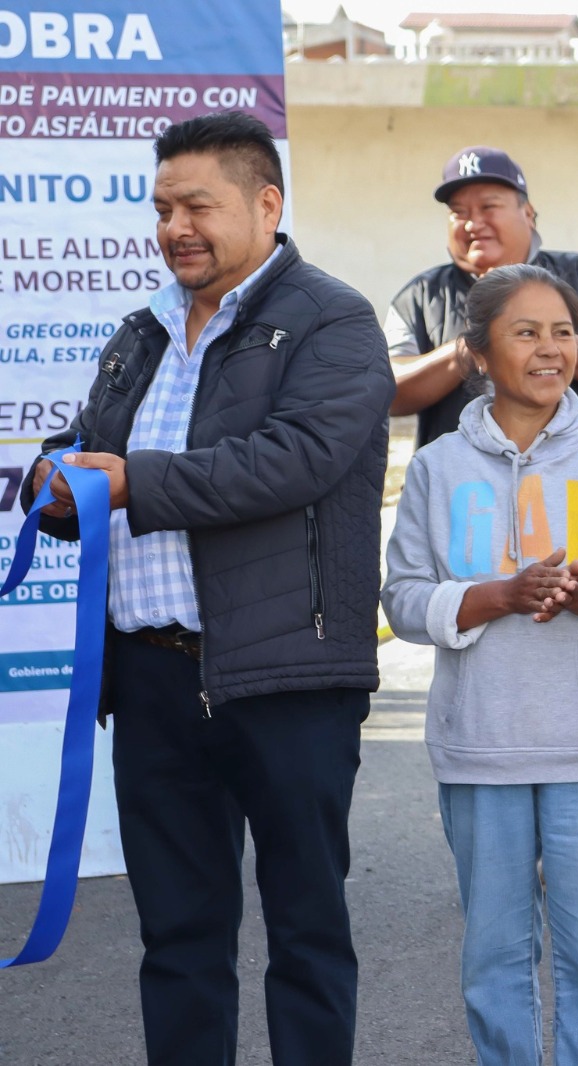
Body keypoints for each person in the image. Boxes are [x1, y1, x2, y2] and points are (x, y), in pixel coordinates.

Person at [23, 111, 394, 1065]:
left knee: (308, 935)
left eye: (198, 205)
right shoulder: (141, 329)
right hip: (150, 681)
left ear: (267, 205)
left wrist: (127, 480)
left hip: (287, 679)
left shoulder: (332, 317)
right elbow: (89, 446)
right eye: (161, 209)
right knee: (178, 941)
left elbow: (295, 460)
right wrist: (53, 483)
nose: (175, 227)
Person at [382, 263, 578, 1066]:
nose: (551, 350)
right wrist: (497, 597)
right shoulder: (440, 466)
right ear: (478, 352)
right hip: (481, 749)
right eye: (527, 333)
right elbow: (404, 599)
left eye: (563, 332)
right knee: (494, 961)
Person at [385, 145, 578, 447]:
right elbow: (387, 390)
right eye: (459, 212)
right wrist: (473, 347)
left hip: (576, 475)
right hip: (463, 485)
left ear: (529, 213)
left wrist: (535, 340)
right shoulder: (419, 295)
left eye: (488, 207)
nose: (472, 224)